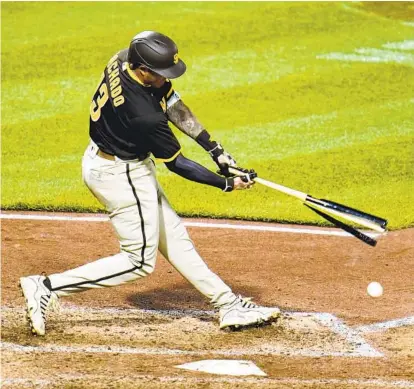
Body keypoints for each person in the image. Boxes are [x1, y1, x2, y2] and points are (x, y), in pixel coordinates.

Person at [19, 31, 280, 336]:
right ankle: (47, 287)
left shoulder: (122, 57)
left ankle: (228, 304)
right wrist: (227, 183)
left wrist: (215, 150)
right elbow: (178, 164)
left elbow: (170, 101)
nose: (165, 78)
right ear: (143, 70)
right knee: (139, 261)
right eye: (160, 74)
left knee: (174, 238)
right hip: (122, 176)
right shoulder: (142, 114)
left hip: (107, 160)